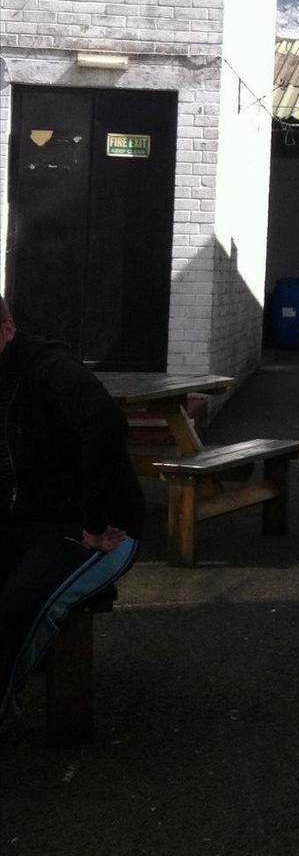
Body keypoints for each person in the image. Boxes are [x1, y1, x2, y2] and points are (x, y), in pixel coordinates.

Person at [0, 294, 143, 729]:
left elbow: (104, 419)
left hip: (96, 529)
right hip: (22, 518)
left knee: (17, 605)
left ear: (6, 331)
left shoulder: (44, 366)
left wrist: (95, 522)